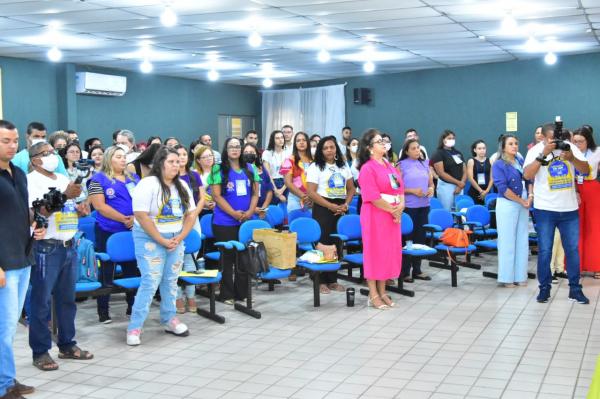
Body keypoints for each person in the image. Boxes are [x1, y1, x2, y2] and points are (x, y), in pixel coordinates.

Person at [27, 142, 93, 371]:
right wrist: (65, 196)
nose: (51, 156)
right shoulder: (31, 181)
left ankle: (67, 344)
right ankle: (41, 351)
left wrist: (81, 209)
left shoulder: (62, 178)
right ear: (35, 159)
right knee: (41, 301)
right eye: (45, 154)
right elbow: (37, 212)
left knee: (67, 300)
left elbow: (71, 206)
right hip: (46, 246)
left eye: (53, 153)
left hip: (69, 243)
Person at [127, 147, 197, 345]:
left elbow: (191, 214)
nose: (176, 165)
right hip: (150, 239)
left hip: (175, 238)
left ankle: (169, 319)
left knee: (171, 281)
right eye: (171, 162)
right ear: (160, 164)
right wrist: (161, 239)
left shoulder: (182, 184)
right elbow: (140, 215)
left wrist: (180, 236)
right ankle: (135, 327)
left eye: (178, 162)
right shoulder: (147, 184)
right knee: (150, 282)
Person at [0, 120, 45, 399]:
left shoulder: (19, 173)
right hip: (3, 263)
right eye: (5, 140)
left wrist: (35, 226)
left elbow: (20, 213)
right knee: (4, 330)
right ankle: (3, 386)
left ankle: (7, 379)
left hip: (23, 256)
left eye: (15, 140)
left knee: (9, 328)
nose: (12, 145)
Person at [524, 122, 590, 304]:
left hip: (569, 209)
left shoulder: (569, 148)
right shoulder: (535, 150)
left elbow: (586, 170)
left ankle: (575, 290)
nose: (557, 141)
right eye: (552, 138)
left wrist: (572, 158)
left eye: (558, 137)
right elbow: (527, 175)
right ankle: (544, 289)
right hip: (545, 209)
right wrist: (542, 155)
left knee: (572, 250)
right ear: (544, 138)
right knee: (545, 251)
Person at [87, 146, 140, 323]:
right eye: (118, 157)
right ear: (109, 159)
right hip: (108, 230)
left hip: (131, 230)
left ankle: (132, 307)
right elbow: (100, 206)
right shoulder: (97, 179)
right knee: (107, 271)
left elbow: (142, 199)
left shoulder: (133, 178)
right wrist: (124, 218)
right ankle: (103, 311)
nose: (123, 160)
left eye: (124, 156)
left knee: (131, 269)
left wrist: (134, 218)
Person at [208, 137, 260, 305]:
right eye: (231, 146)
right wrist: (233, 213)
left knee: (244, 258)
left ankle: (241, 293)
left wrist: (251, 211)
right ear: (226, 149)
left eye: (238, 146)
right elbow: (216, 195)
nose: (235, 149)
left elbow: (255, 193)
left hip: (246, 220)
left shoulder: (250, 168)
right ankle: (227, 294)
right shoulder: (218, 169)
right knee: (228, 259)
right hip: (224, 222)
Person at [357, 129, 403, 309]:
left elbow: (400, 188)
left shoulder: (389, 165)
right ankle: (373, 294)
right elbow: (372, 196)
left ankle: (383, 291)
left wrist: (400, 207)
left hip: (392, 215)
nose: (383, 143)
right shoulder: (367, 168)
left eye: (383, 140)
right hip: (375, 214)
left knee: (387, 252)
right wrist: (393, 210)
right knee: (374, 252)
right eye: (379, 141)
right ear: (369, 148)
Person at [306, 136, 356, 294]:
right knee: (322, 244)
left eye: (332, 147)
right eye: (325, 148)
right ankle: (319, 280)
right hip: (323, 207)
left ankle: (332, 279)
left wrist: (346, 204)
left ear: (336, 149)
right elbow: (311, 193)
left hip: (341, 207)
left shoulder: (343, 166)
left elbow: (351, 189)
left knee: (337, 243)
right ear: (321, 150)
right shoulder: (316, 167)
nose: (329, 150)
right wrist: (330, 206)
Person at [492, 135, 531, 288]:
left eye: (516, 143)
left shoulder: (521, 162)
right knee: (507, 240)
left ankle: (521, 276)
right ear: (503, 147)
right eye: (510, 144)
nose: (514, 146)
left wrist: (530, 196)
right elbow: (502, 188)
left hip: (524, 202)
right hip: (508, 203)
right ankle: (507, 278)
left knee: (522, 239)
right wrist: (521, 201)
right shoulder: (499, 164)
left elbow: (529, 180)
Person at [173, 145, 205, 313]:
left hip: (194, 219)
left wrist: (193, 214)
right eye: (178, 155)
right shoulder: (170, 177)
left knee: (190, 259)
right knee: (176, 261)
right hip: (176, 221)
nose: (182, 157)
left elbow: (201, 198)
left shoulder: (194, 176)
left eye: (185, 154)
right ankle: (178, 297)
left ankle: (191, 296)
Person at [398, 139, 434, 283]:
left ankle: (417, 270)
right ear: (406, 151)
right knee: (408, 239)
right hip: (409, 207)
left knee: (420, 238)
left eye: (418, 148)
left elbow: (431, 182)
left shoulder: (424, 163)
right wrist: (412, 191)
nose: (417, 150)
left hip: (424, 206)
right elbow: (396, 187)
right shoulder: (401, 165)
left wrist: (431, 188)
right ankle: (404, 271)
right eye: (413, 148)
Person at [572, 126, 600, 278]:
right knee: (575, 228)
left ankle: (596, 266)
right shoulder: (569, 152)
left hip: (593, 190)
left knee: (594, 228)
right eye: (575, 141)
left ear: (588, 140)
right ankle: (576, 265)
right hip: (574, 189)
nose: (577, 144)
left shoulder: (597, 151)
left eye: (581, 141)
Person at [431, 130, 466, 211]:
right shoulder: (438, 153)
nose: (452, 140)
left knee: (460, 211)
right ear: (443, 140)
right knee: (447, 210)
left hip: (460, 186)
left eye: (453, 138)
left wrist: (461, 184)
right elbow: (441, 173)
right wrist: (458, 183)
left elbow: (464, 170)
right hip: (446, 187)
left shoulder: (458, 153)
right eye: (449, 138)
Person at [281, 131, 313, 214]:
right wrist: (304, 197)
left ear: (308, 142)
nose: (301, 142)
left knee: (311, 226)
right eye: (298, 140)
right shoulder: (289, 160)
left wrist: (313, 198)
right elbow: (288, 183)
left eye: (304, 140)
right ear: (295, 144)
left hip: (313, 200)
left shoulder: (315, 160)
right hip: (295, 199)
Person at [242, 143, 272, 219]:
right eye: (246, 152)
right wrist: (253, 209)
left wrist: (263, 208)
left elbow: (269, 190)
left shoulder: (262, 168)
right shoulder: (240, 171)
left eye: (251, 152)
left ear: (256, 155)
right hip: (247, 211)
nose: (249, 154)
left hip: (263, 211)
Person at [262, 130, 288, 205]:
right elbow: (267, 174)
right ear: (272, 140)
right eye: (277, 138)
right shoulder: (267, 153)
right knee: (273, 208)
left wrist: (282, 189)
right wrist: (276, 190)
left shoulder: (288, 153)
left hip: (285, 183)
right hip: (272, 182)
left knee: (285, 208)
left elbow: (290, 174)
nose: (280, 140)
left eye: (282, 137)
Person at [466, 140, 493, 205]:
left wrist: (486, 191)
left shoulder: (490, 160)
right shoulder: (471, 161)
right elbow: (470, 178)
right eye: (479, 148)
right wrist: (481, 191)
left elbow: (492, 178)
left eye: (484, 148)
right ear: (475, 150)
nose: (482, 150)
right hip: (474, 192)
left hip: (487, 192)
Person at [193, 146, 216, 216]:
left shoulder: (219, 171)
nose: (209, 158)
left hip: (219, 208)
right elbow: (194, 193)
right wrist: (205, 203)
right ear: (198, 160)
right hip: (201, 210)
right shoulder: (194, 174)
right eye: (205, 157)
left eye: (210, 155)